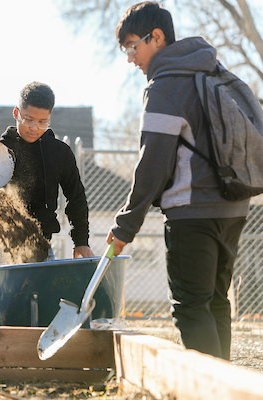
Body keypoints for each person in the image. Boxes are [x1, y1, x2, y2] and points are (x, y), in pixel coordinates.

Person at [107, 1, 249, 360]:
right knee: (216, 303)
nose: (129, 58)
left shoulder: (165, 87)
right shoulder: (215, 72)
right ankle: (226, 387)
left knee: (190, 306)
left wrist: (126, 225)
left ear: (156, 38)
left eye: (131, 46)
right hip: (234, 207)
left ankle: (208, 391)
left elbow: (152, 164)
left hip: (191, 212)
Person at [0, 81, 94, 270]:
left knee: (40, 298)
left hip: (40, 243)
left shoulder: (59, 153)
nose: (34, 127)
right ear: (16, 113)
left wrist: (81, 241)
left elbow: (76, 198)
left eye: (42, 122)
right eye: (28, 119)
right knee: (3, 299)